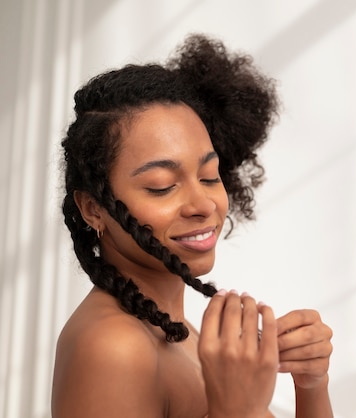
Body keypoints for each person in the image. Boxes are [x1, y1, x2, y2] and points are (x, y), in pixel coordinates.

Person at [51, 33, 334, 418]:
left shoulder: (176, 330)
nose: (203, 204)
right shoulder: (114, 348)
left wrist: (311, 385)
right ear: (92, 208)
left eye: (209, 176)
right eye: (162, 186)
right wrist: (238, 409)